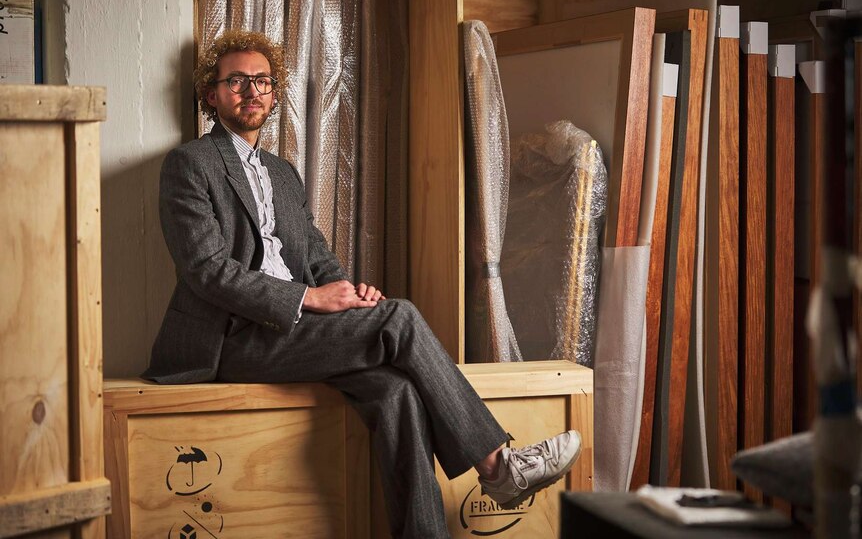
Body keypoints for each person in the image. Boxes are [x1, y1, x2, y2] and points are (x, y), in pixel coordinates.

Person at [143, 30, 581, 538]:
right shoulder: (190, 164)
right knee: (400, 317)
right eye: (236, 81)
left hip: (298, 330)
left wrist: (347, 295)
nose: (251, 91)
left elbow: (316, 254)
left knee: (397, 394)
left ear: (274, 92)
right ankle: (499, 467)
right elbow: (206, 271)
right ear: (212, 94)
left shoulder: (283, 173)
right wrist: (310, 296)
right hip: (232, 339)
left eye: (262, 81)